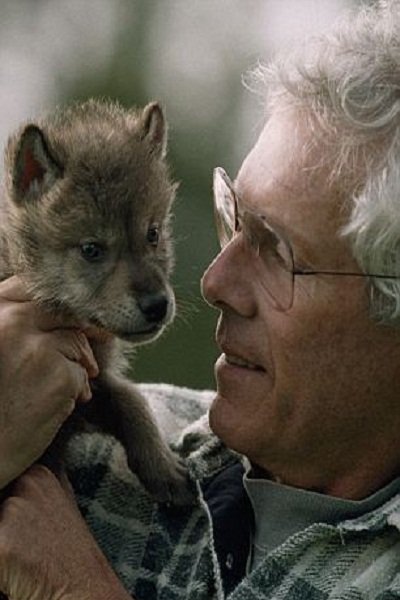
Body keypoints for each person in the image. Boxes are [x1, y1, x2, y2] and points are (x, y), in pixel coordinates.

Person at [2, 1, 400, 598]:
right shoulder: (99, 444)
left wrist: (75, 587)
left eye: (278, 252)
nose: (213, 283)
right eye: (234, 219)